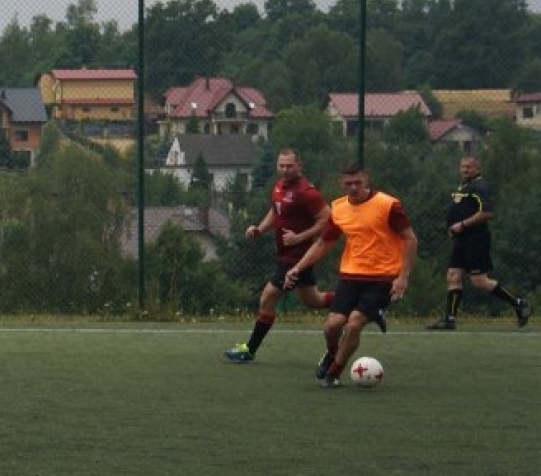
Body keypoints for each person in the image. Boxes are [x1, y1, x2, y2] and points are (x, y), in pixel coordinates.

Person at [283, 162, 417, 387]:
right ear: (341, 184)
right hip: (351, 276)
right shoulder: (338, 208)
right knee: (332, 326)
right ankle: (333, 354)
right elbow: (323, 243)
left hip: (383, 277)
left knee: (353, 324)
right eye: (348, 183)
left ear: (367, 180)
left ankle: (334, 373)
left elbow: (410, 239)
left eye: (358, 182)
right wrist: (297, 268)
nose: (354, 187)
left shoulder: (388, 205)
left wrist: (403, 276)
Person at [224, 147, 347, 363]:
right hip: (287, 254)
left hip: (297, 257)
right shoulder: (280, 186)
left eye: (289, 166)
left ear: (300, 166)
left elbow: (327, 220)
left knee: (267, 298)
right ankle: (356, 303)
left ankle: (249, 350)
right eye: (281, 165)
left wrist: (300, 237)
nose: (285, 170)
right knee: (313, 299)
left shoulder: (306, 192)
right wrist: (259, 229)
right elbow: (276, 211)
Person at [426, 154, 531, 330]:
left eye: (469, 167)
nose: (465, 170)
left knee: (479, 281)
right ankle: (450, 319)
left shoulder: (480, 186)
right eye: (463, 167)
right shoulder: (465, 186)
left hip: (476, 239)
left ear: (478, 169)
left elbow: (487, 213)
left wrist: (463, 224)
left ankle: (519, 303)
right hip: (462, 239)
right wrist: (453, 228)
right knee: (453, 275)